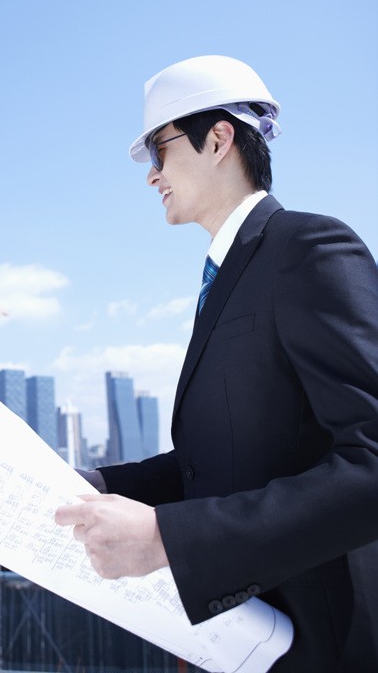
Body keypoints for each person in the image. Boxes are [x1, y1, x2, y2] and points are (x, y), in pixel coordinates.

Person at [55, 55, 378, 672]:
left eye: (159, 149)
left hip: (322, 647)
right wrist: (89, 488)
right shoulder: (228, 278)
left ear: (219, 139)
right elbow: (215, 464)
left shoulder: (309, 248)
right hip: (246, 646)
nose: (152, 175)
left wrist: (169, 538)